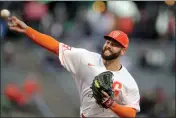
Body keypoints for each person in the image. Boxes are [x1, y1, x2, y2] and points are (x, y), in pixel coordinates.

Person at [8, 16, 140, 117]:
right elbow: (55, 46)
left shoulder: (128, 81)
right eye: (108, 41)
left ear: (123, 51)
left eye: (115, 44)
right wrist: (27, 30)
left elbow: (131, 113)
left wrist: (113, 105)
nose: (109, 46)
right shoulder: (86, 58)